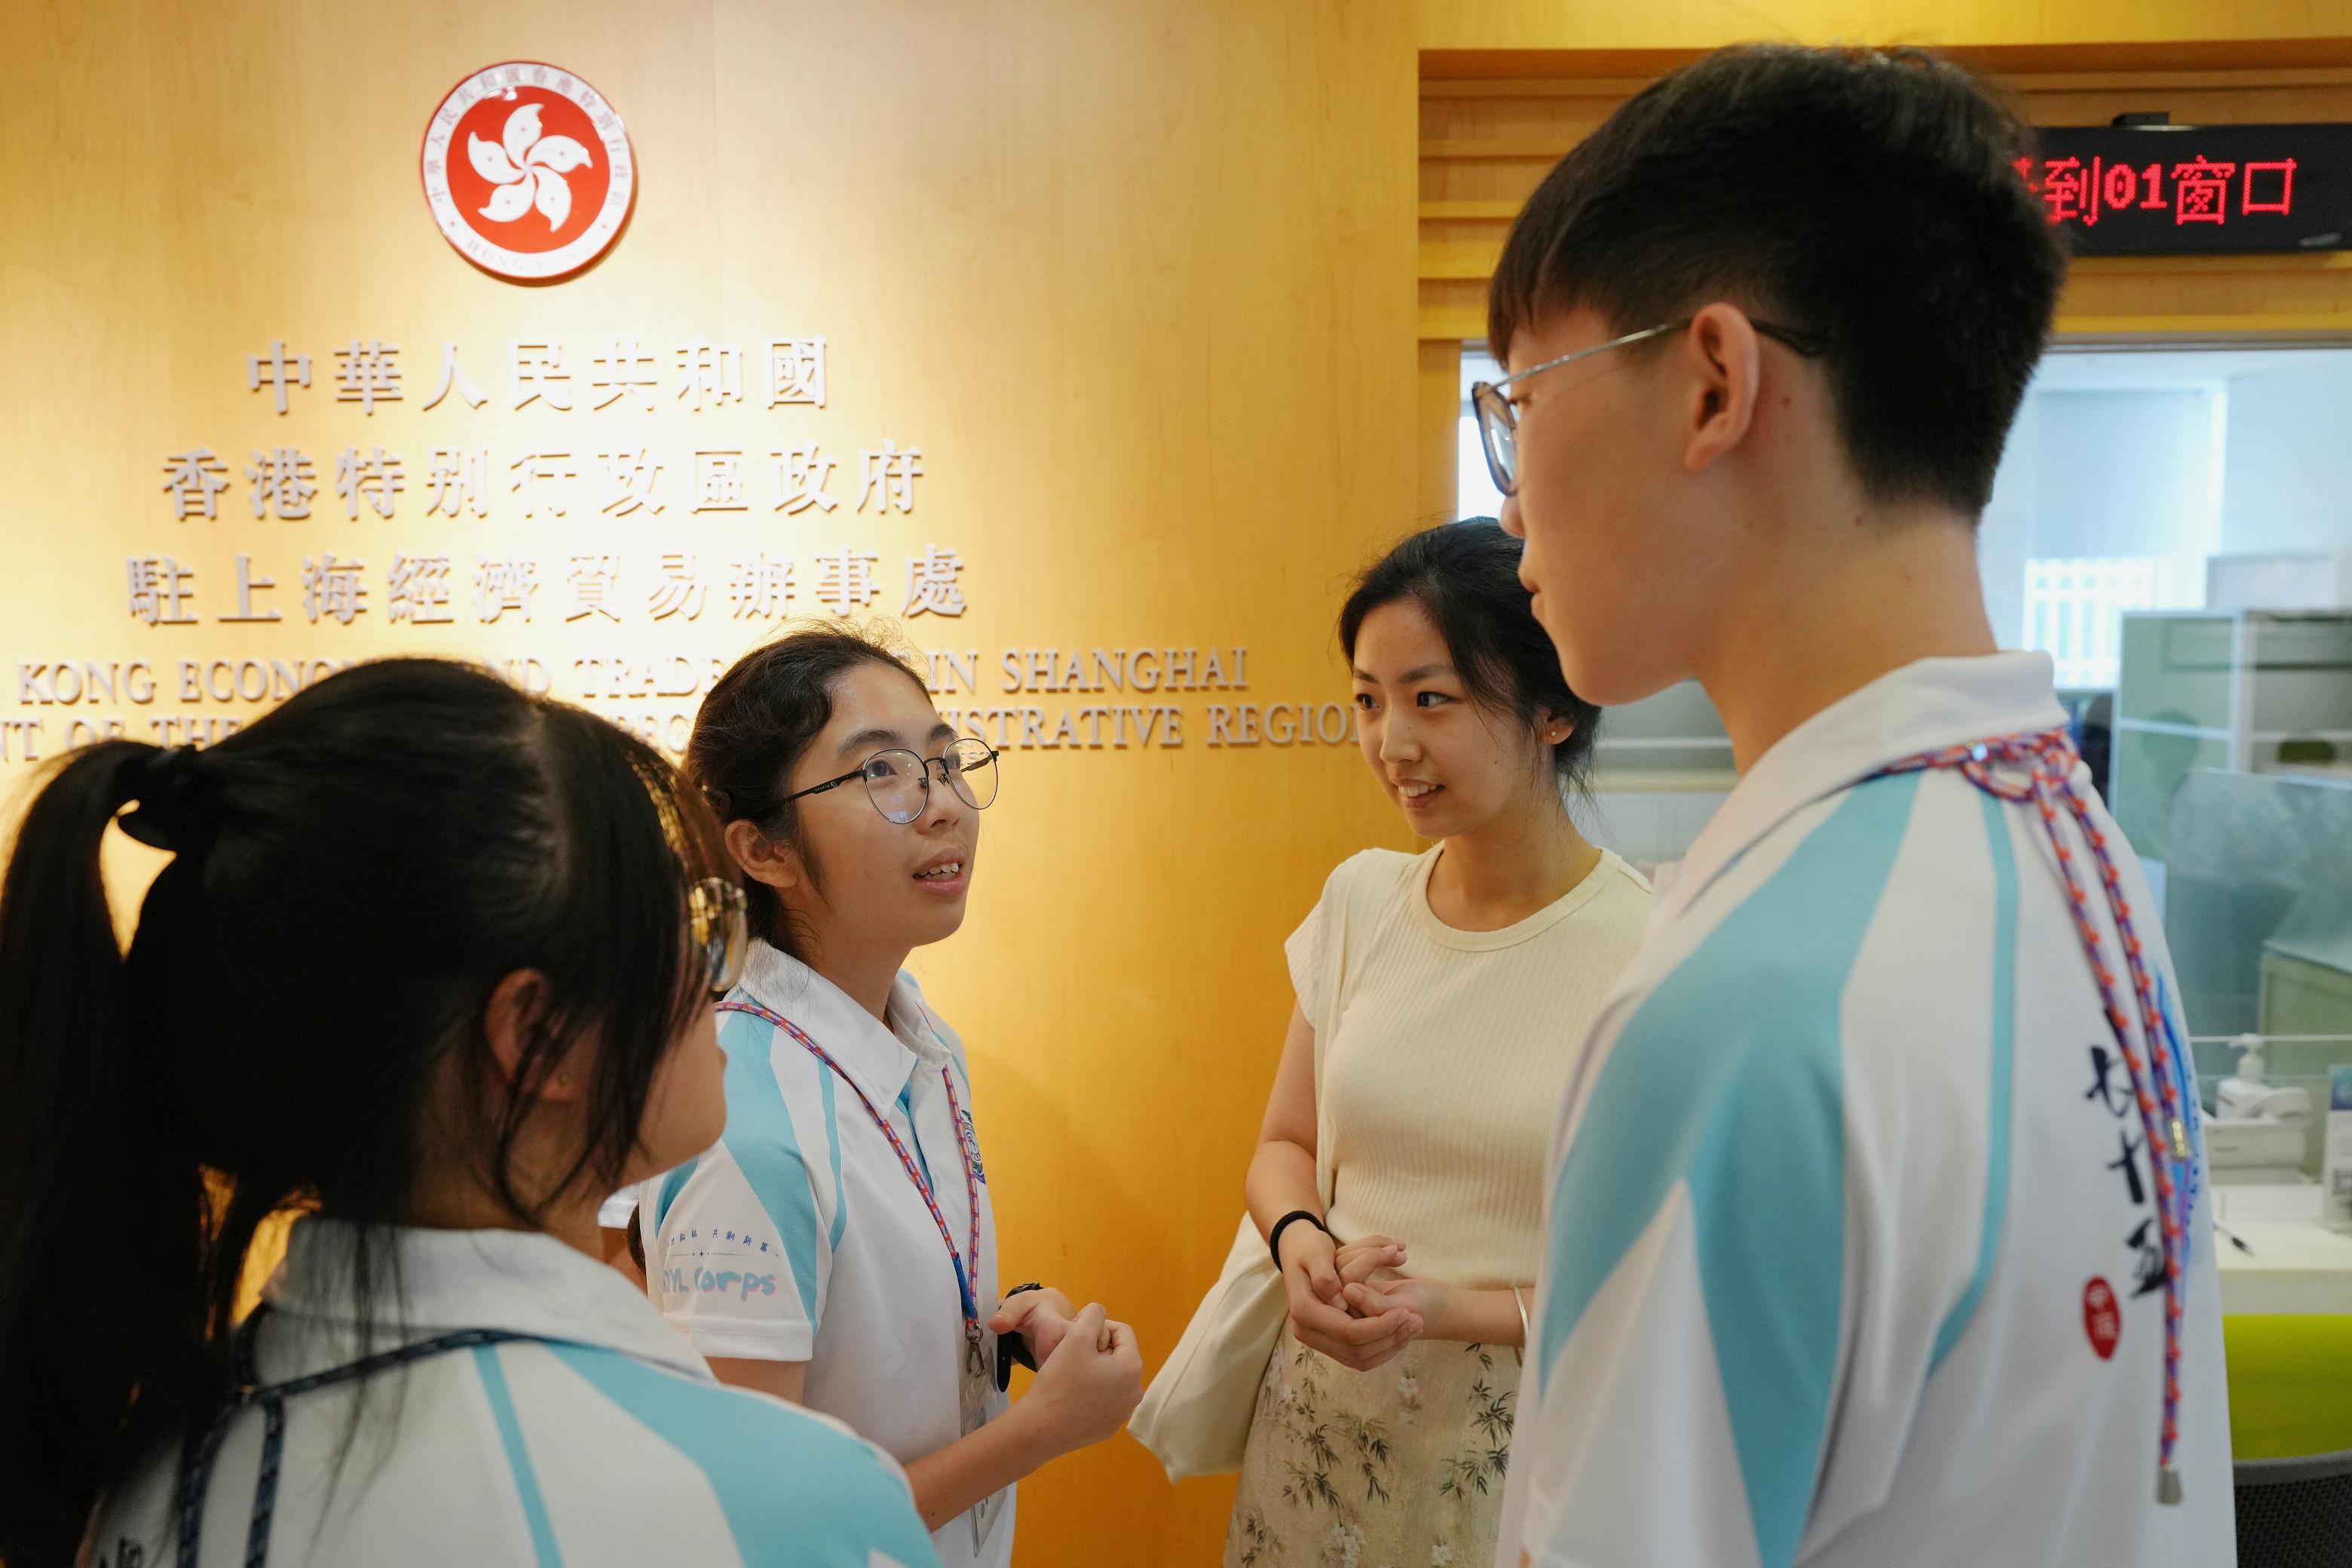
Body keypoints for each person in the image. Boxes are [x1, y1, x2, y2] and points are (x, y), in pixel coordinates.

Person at [1479, 44, 2231, 1568]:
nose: (1510, 500)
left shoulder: (1749, 1005)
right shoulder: (2082, 861)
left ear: (1712, 381)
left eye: (1524, 401)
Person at [0, 659, 940, 1568]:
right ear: (536, 1036)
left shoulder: (139, 1481)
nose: (714, 985)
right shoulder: (791, 1503)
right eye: (686, 933)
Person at [641, 625, 1143, 1568]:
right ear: (762, 848)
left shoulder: (919, 1035)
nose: (944, 805)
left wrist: (1003, 1318)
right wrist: (1040, 1432)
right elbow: (757, 1526)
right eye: (883, 774)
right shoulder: (747, 1126)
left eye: (946, 762)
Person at [1230, 522, 1652, 1568]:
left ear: (1553, 709)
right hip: (1320, 1428)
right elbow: (1284, 1143)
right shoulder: (1362, 900)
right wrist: (1302, 1247)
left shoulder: (1649, 950)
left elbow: (1653, 1285)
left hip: (1512, 1446)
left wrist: (1451, 1308)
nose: (1391, 744)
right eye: (1369, 700)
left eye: (1433, 698)